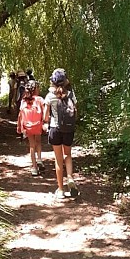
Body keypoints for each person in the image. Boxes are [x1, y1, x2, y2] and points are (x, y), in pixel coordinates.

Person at [43, 68, 79, 199]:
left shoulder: (49, 96)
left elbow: (46, 116)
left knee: (58, 160)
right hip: (68, 130)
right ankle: (70, 177)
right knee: (67, 155)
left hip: (55, 129)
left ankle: (60, 189)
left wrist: (44, 123)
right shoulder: (70, 94)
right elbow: (75, 111)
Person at [17, 80, 45, 176]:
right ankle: (39, 159)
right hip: (38, 125)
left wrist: (20, 127)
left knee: (32, 145)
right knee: (38, 141)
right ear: (35, 89)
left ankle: (34, 167)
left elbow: (20, 114)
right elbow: (45, 113)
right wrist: (45, 122)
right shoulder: (40, 99)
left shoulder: (24, 100)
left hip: (28, 126)